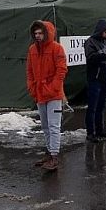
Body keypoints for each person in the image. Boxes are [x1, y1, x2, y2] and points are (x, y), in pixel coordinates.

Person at [26, 20, 68, 171]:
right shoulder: (32, 49)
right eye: (36, 33)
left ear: (47, 33)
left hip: (54, 95)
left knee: (53, 125)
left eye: (40, 33)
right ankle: (50, 153)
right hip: (39, 93)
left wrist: (53, 88)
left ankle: (55, 156)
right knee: (45, 126)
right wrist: (32, 87)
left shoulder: (57, 48)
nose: (38, 36)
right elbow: (29, 71)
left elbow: (61, 70)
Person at [84, 19, 106, 142]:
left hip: (104, 76)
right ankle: (90, 133)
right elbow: (91, 57)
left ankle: (100, 130)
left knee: (101, 106)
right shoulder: (90, 42)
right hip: (94, 77)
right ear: (100, 31)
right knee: (92, 107)